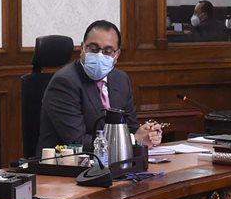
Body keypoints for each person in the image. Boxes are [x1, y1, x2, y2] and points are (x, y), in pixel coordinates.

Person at [37, 20, 165, 151]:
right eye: (93, 49)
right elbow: (77, 142)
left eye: (107, 51)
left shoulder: (120, 79)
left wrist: (148, 134)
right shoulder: (65, 82)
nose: (99, 55)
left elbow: (130, 127)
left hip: (113, 160)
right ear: (82, 49)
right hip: (68, 161)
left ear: (117, 55)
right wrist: (133, 140)